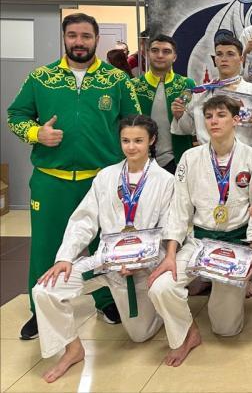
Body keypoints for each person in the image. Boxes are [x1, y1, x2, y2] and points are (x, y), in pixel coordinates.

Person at [7, 12, 142, 340]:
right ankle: (42, 310)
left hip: (102, 179)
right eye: (73, 36)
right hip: (51, 178)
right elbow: (15, 115)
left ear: (97, 39)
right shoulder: (41, 77)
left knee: (104, 244)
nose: (79, 42)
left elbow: (134, 122)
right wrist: (36, 133)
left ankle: (106, 301)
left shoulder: (116, 79)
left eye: (86, 36)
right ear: (64, 38)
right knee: (46, 246)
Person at [32, 115, 174, 382]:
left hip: (141, 268)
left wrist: (140, 262)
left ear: (152, 140)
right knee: (44, 290)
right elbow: (84, 220)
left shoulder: (165, 181)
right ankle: (72, 349)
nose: (131, 147)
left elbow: (168, 230)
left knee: (140, 335)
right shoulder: (106, 177)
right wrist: (65, 257)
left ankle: (161, 308)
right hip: (104, 263)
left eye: (138, 141)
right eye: (125, 140)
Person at [147, 95, 252, 366]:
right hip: (199, 242)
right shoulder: (190, 158)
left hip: (236, 245)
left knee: (226, 329)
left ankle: (229, 289)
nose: (214, 121)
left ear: (236, 120)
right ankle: (187, 333)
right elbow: (179, 210)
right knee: (160, 287)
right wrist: (170, 255)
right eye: (209, 116)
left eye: (221, 115)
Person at [170, 33, 252, 150]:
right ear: (215, 60)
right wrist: (179, 115)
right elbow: (189, 129)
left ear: (241, 59)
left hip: (244, 156)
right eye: (219, 54)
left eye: (230, 54)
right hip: (208, 155)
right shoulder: (201, 92)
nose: (224, 59)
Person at [132, 34, 196, 173]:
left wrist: (180, 116)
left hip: (178, 161)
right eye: (155, 50)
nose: (160, 55)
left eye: (166, 51)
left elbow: (195, 126)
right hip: (140, 161)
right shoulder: (133, 86)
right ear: (147, 54)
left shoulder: (187, 85)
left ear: (174, 57)